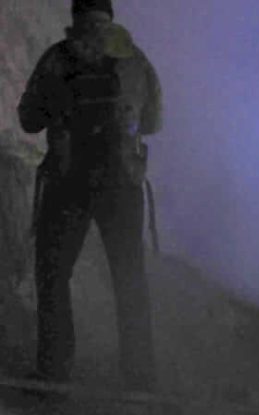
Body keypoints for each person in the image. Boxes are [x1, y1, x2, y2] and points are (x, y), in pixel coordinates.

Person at [18, 0, 162, 387]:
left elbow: (28, 118)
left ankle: (54, 370)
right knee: (129, 276)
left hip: (70, 181)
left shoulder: (59, 57)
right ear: (110, 16)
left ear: (75, 15)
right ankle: (139, 375)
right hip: (123, 184)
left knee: (54, 272)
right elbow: (155, 121)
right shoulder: (136, 60)